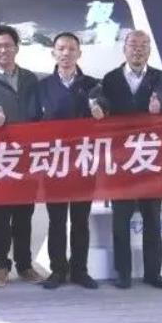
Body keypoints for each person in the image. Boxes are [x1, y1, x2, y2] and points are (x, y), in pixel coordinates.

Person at [91, 30, 162, 290]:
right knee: (121, 220)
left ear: (149, 50)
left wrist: (161, 104)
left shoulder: (159, 77)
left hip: (150, 159)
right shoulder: (111, 78)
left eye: (143, 45)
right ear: (124, 49)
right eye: (133, 44)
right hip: (122, 162)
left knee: (153, 219)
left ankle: (153, 274)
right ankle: (123, 273)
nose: (138, 49)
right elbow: (101, 98)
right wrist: (100, 108)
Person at [0, 25, 45, 288]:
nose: (3, 50)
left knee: (25, 214)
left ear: (16, 48)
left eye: (7, 45)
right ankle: (1, 267)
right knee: (1, 216)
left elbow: (39, 112)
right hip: (1, 158)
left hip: (27, 157)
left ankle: (25, 266)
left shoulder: (30, 78)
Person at [35, 32, 100, 290]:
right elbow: (33, 121)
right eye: (61, 48)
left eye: (72, 49)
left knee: (81, 220)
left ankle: (80, 270)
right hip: (54, 163)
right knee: (57, 220)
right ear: (53, 53)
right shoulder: (42, 87)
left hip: (84, 161)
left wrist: (101, 111)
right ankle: (58, 270)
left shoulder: (93, 85)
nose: (66, 53)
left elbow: (105, 113)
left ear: (79, 53)